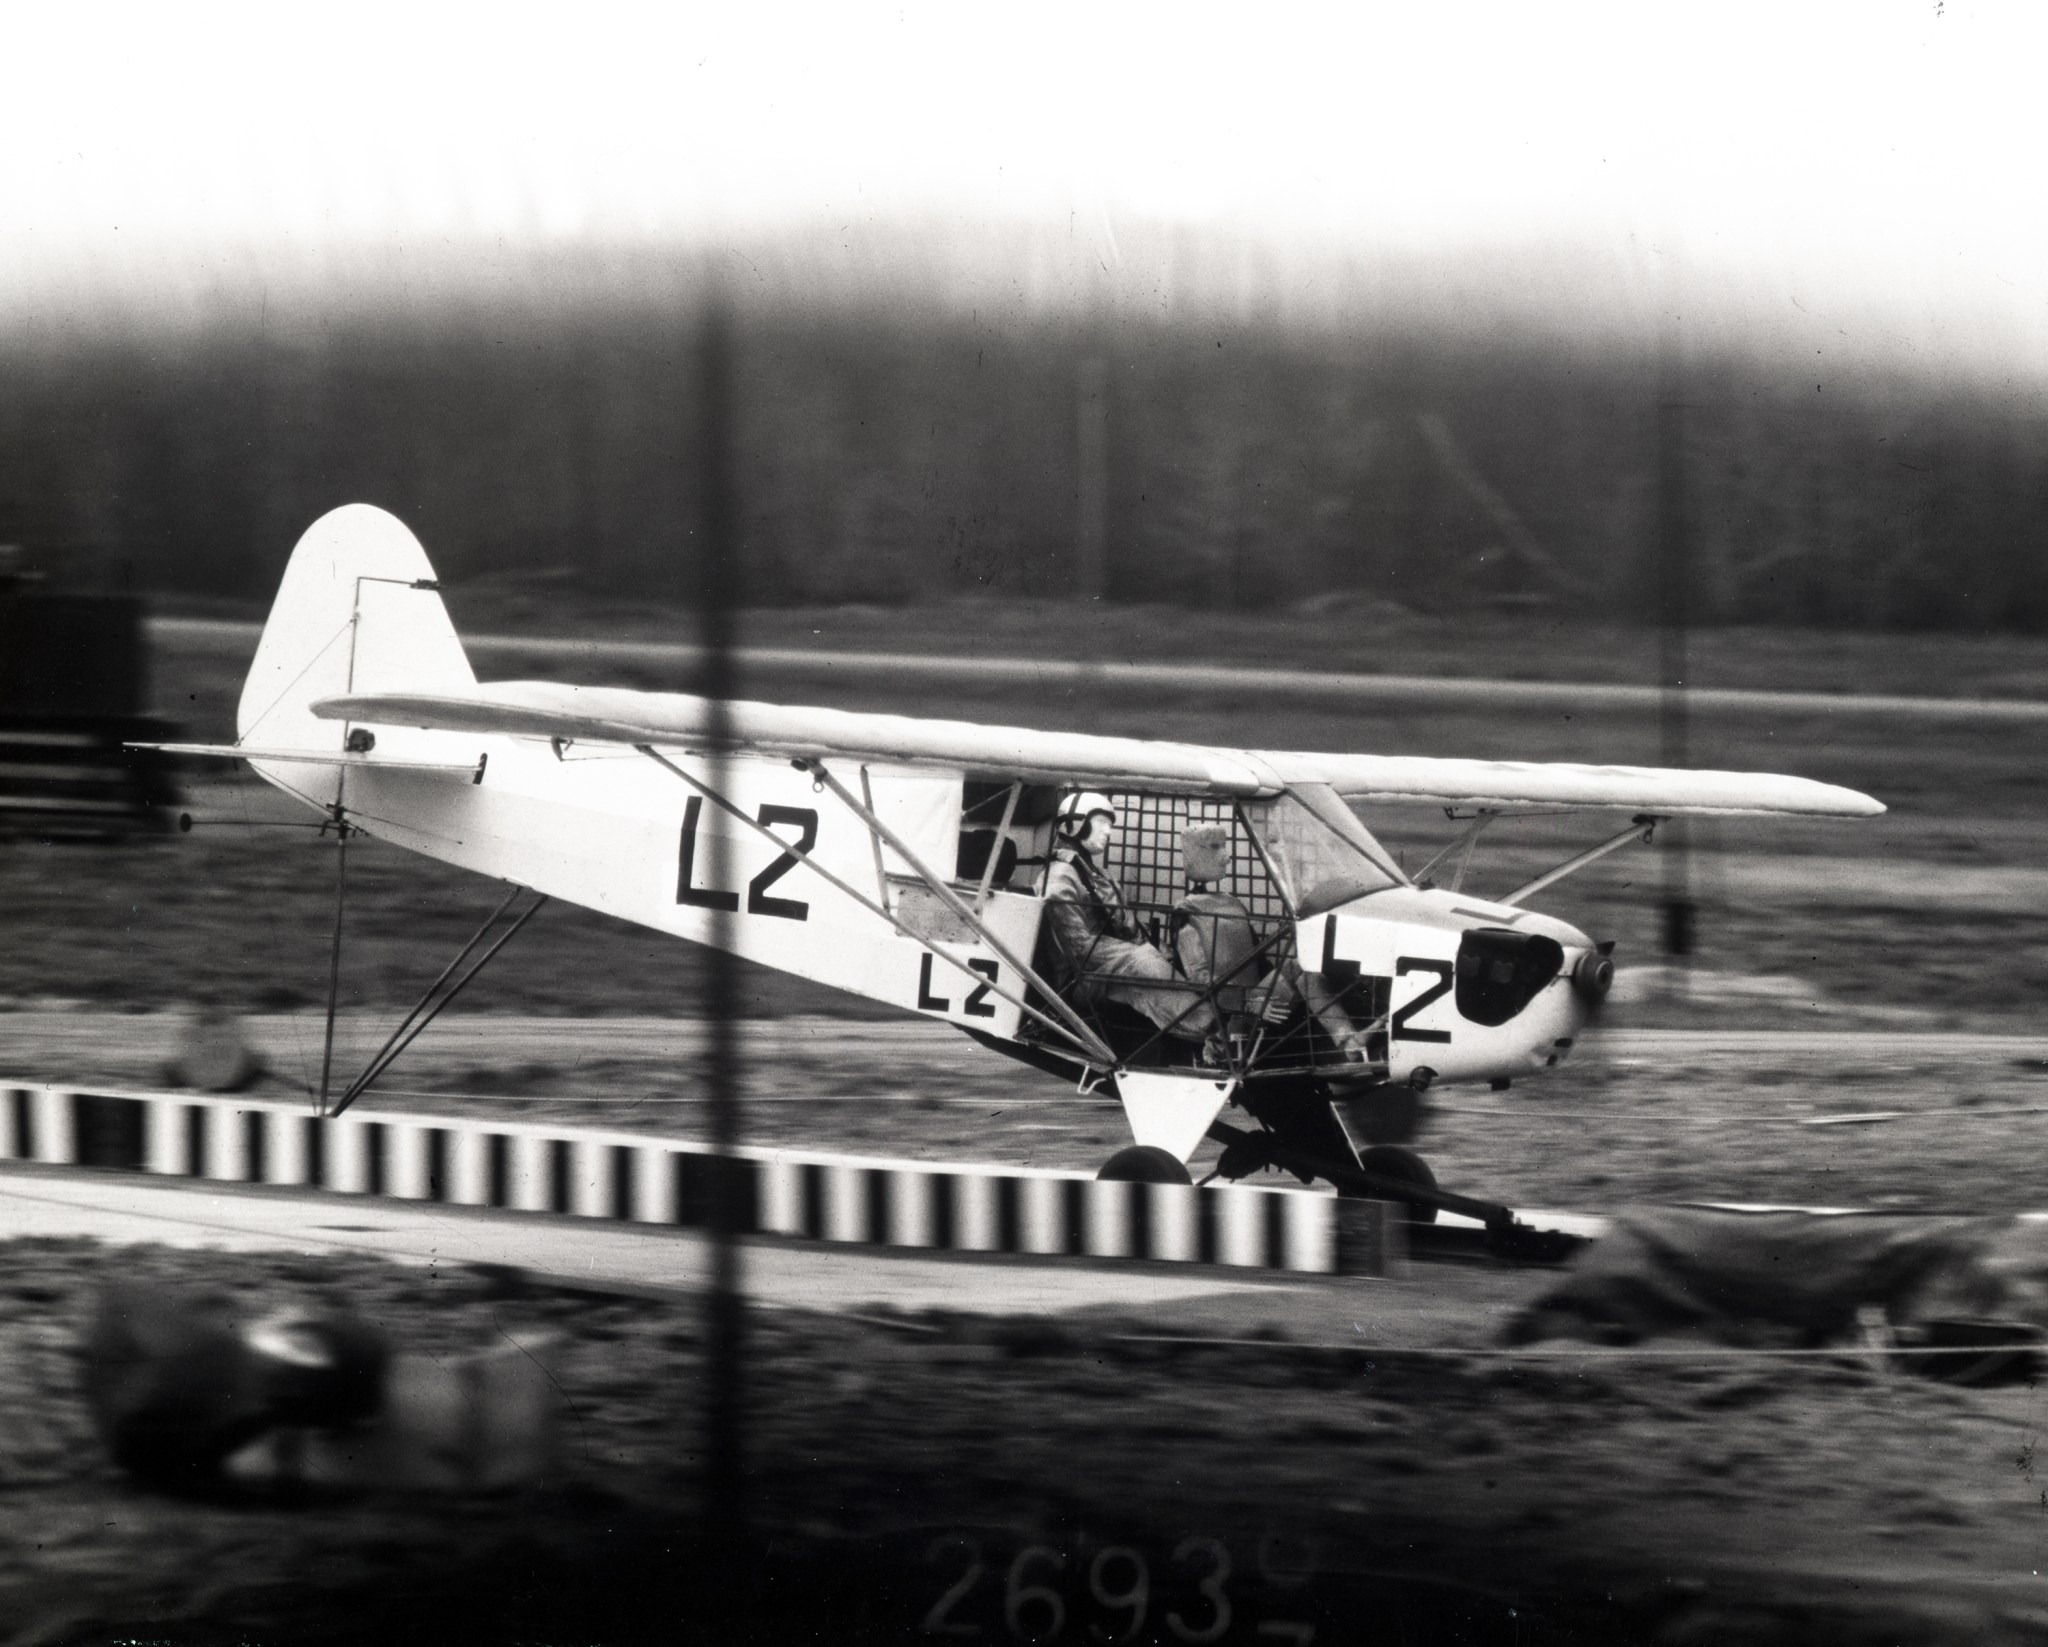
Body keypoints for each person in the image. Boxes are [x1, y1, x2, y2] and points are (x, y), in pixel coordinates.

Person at [1043, 792, 1215, 1042]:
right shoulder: (1059, 878)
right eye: (1101, 822)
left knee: (1170, 954)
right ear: (1075, 824)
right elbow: (1078, 948)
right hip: (1081, 979)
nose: (1108, 831)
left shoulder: (1100, 876)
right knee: (1143, 963)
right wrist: (1138, 952)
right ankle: (1212, 1031)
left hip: (1108, 966)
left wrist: (1160, 951)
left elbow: (1128, 926)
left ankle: (1215, 1012)